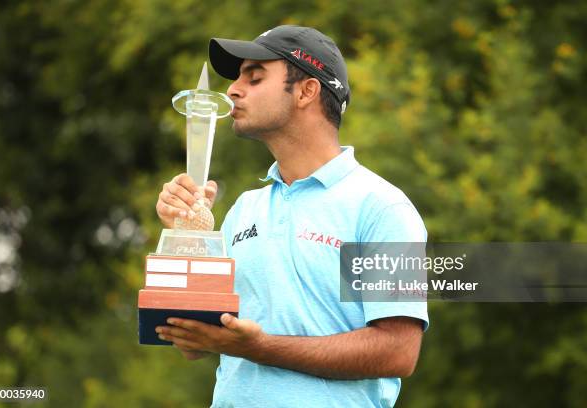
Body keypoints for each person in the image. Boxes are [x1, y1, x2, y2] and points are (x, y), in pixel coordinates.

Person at [155, 25, 428, 408]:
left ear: (306, 91)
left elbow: (398, 351)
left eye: (255, 77)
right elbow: (194, 343)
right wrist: (186, 234)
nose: (233, 90)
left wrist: (261, 348)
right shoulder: (244, 210)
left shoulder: (380, 207)